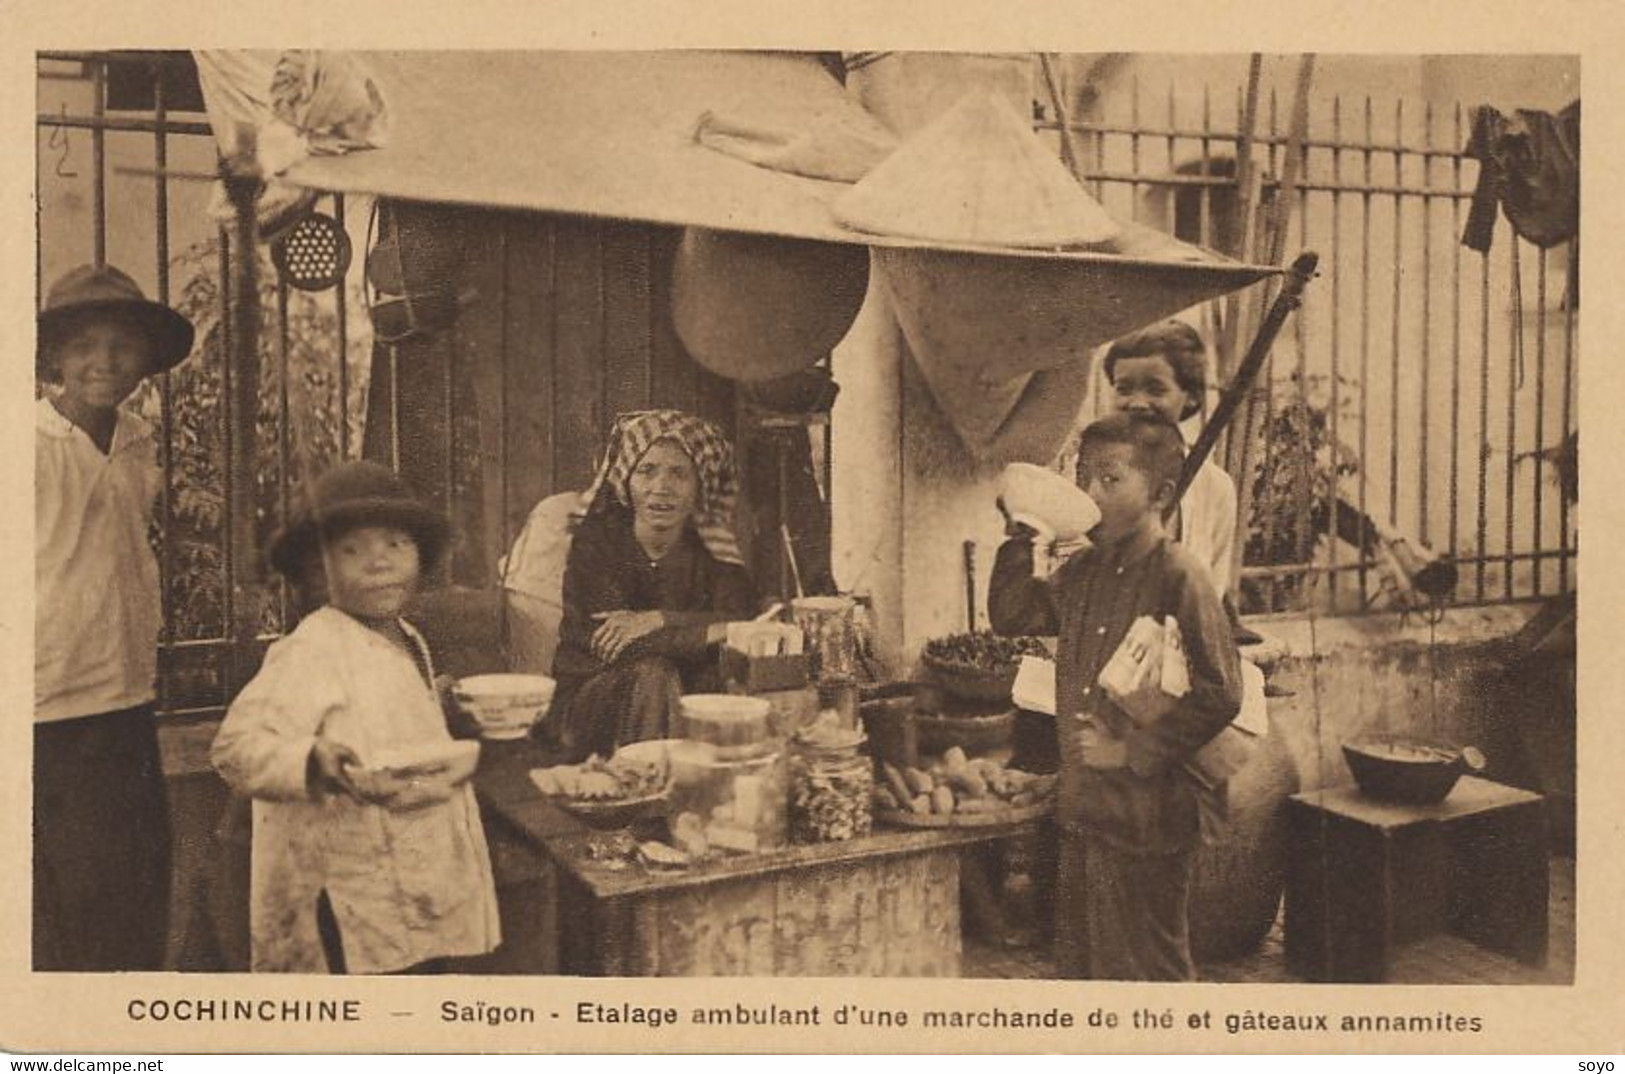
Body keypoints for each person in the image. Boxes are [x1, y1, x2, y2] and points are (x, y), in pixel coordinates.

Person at [210, 461, 500, 974]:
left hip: (415, 870)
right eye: (352, 551)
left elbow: (377, 704)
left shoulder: (406, 636)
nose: (378, 564)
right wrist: (310, 759)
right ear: (319, 571)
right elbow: (235, 748)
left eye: (395, 544)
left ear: (419, 555)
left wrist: (440, 701)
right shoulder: (311, 649)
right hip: (350, 887)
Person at [989, 412, 1243, 980]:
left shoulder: (1181, 576)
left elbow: (1222, 692)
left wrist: (1132, 752)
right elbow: (1012, 615)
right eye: (1083, 478)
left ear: (1161, 492)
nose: (1090, 494)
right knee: (1084, 966)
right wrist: (1023, 532)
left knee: (1152, 970)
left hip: (1150, 818)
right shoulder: (1082, 572)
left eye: (1110, 479)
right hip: (1085, 811)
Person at [34, 264, 195, 972]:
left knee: (134, 882)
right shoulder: (28, 444)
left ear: (145, 361)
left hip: (126, 696)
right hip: (47, 705)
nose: (104, 363)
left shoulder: (135, 440)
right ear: (55, 360)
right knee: (61, 899)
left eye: (122, 346)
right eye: (84, 347)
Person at [548, 410, 757, 761]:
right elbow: (615, 646)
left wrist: (660, 618)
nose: (662, 487)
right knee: (655, 674)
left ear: (699, 485)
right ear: (627, 480)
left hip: (682, 701)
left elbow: (743, 621)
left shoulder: (712, 553)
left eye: (679, 473)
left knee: (724, 681)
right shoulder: (596, 545)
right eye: (647, 470)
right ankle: (646, 793)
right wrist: (708, 630)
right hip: (591, 703)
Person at [1101, 318, 1238, 595]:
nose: (1137, 403)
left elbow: (1212, 591)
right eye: (1124, 389)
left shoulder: (1215, 487)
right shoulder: (1090, 477)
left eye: (1156, 389)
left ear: (1190, 397)